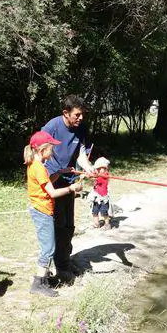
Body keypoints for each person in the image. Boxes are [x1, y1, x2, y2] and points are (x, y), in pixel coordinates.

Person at [41, 94, 96, 284]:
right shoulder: (52, 127)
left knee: (69, 225)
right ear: (66, 113)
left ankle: (64, 261)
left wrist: (89, 168)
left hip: (70, 183)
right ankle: (60, 267)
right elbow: (37, 152)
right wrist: (49, 175)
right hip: (53, 184)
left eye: (82, 115)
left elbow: (81, 155)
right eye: (77, 115)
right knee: (58, 225)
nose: (81, 118)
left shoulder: (80, 129)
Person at [24, 131, 82, 297]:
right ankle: (38, 283)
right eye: (51, 148)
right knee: (48, 248)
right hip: (42, 211)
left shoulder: (35, 165)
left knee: (48, 246)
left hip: (40, 209)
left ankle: (43, 280)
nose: (53, 152)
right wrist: (71, 188)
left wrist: (61, 172)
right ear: (42, 150)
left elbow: (46, 184)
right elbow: (52, 193)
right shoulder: (39, 168)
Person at [88, 157, 112, 229]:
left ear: (105, 169)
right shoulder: (98, 174)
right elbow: (94, 176)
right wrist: (88, 174)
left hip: (103, 197)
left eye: (99, 168)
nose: (98, 170)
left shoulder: (105, 175)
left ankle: (107, 224)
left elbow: (96, 177)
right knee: (94, 211)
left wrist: (91, 175)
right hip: (96, 196)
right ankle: (96, 223)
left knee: (104, 212)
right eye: (97, 169)